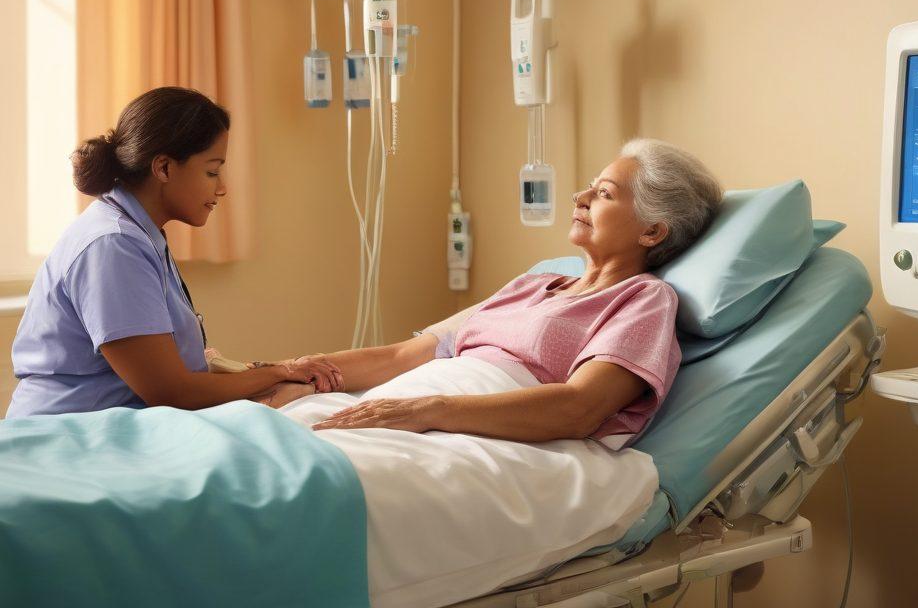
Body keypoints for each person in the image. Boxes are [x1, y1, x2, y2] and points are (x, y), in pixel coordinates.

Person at [295, 138, 723, 447]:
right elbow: (402, 356)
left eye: (604, 193)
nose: (581, 196)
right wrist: (295, 371)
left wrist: (428, 410)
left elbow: (580, 407)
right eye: (591, 186)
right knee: (272, 430)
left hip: (470, 430)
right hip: (411, 401)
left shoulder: (643, 299)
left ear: (652, 231)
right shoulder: (531, 285)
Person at [5, 87, 341, 418]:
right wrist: (277, 372)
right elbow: (174, 393)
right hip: (66, 438)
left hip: (109, 427)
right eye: (212, 171)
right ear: (164, 168)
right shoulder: (113, 245)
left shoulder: (138, 233)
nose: (222, 187)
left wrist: (274, 372)